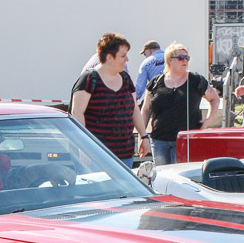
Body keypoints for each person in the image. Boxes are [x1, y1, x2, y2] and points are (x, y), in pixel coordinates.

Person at [71, 33, 149, 168]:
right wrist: (83, 147)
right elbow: (77, 113)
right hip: (96, 156)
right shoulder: (89, 79)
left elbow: (134, 109)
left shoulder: (125, 79)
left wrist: (144, 136)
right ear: (109, 57)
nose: (127, 60)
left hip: (125, 154)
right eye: (123, 56)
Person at [140, 42, 220, 165]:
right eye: (180, 58)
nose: (185, 61)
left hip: (185, 140)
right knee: (162, 177)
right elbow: (146, 109)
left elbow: (214, 98)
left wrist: (209, 119)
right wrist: (143, 135)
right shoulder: (156, 82)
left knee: (181, 177)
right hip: (159, 139)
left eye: (187, 58)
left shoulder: (196, 80)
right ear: (169, 60)